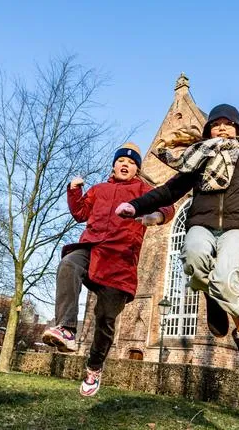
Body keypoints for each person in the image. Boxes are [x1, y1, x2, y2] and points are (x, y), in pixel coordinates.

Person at [114, 104, 239, 381]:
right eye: (216, 124)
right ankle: (211, 295)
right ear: (208, 131)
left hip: (237, 227)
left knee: (226, 278)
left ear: (237, 130)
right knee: (193, 257)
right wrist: (135, 206)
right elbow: (168, 191)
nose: (222, 128)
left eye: (228, 124)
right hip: (201, 222)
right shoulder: (196, 160)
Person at [42, 142, 174, 397]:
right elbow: (80, 213)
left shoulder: (143, 190)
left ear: (137, 169)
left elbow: (168, 206)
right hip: (92, 248)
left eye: (132, 162)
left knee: (105, 318)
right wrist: (73, 190)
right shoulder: (99, 189)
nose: (125, 165)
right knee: (68, 264)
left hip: (119, 261)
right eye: (121, 161)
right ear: (114, 165)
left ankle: (94, 368)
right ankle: (67, 328)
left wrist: (155, 217)